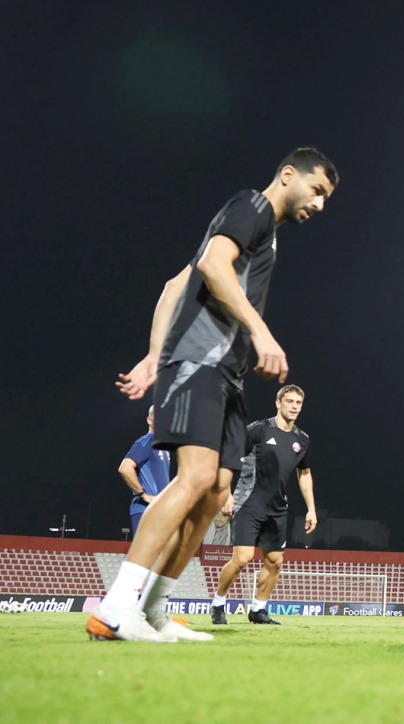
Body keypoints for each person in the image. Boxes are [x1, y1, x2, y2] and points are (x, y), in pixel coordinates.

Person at [91, 148, 338, 643]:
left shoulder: (263, 234)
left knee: (215, 494)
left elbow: (175, 285)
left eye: (326, 198)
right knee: (196, 478)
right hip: (198, 364)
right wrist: (259, 333)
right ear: (288, 175)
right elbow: (210, 265)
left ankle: (153, 612)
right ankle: (115, 609)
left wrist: (152, 356)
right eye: (316, 190)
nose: (319, 204)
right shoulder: (252, 207)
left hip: (228, 378)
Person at [210, 385, 317, 626]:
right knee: (242, 559)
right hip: (249, 502)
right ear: (278, 403)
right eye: (289, 401)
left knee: (275, 561)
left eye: (298, 403)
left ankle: (258, 610)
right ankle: (218, 603)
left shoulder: (302, 439)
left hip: (278, 508)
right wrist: (226, 493)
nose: (294, 406)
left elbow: (304, 474)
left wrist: (311, 509)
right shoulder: (259, 430)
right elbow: (228, 456)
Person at [117, 406, 172, 538]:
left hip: (161, 511)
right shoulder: (146, 442)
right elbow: (125, 468)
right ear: (149, 420)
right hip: (146, 510)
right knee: (146, 551)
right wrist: (143, 494)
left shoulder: (164, 448)